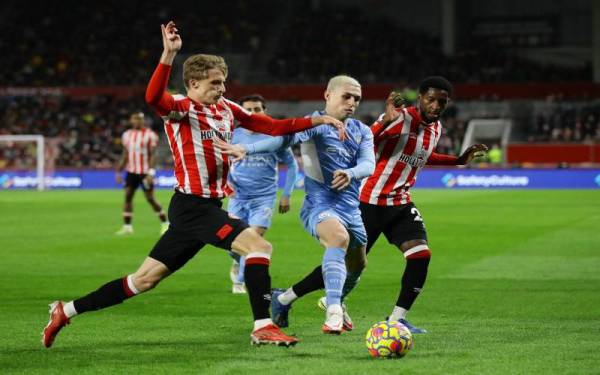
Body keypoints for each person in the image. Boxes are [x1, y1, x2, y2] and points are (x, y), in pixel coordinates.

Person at [41, 21, 345, 349]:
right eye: (216, 83)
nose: (223, 89)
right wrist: (168, 54)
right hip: (193, 206)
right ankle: (263, 325)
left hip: (199, 209)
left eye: (224, 82)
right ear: (193, 83)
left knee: (142, 280)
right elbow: (152, 96)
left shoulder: (227, 109)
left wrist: (319, 119)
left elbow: (271, 126)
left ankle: (66, 309)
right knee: (259, 247)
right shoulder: (180, 110)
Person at [262, 77, 487, 334]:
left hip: (400, 203)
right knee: (349, 263)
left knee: (421, 255)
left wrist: (457, 160)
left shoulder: (435, 129)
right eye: (431, 99)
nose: (436, 106)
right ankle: (285, 298)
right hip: (369, 202)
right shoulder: (399, 118)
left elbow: (422, 155)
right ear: (420, 98)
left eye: (442, 102)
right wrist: (385, 121)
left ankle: (396, 320)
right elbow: (364, 141)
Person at [216, 75, 375, 334]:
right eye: (346, 96)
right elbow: (281, 140)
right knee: (337, 239)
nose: (352, 103)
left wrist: (352, 173)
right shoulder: (314, 124)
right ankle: (333, 311)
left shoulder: (362, 130)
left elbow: (369, 163)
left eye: (356, 98)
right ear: (328, 95)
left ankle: (284, 300)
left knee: (357, 265)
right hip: (319, 204)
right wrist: (248, 149)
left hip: (351, 208)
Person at [226, 94, 299, 294]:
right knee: (233, 245)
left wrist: (287, 194)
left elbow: (292, 165)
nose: (253, 113)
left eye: (257, 109)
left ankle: (240, 282)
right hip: (237, 196)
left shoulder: (275, 135)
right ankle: (236, 260)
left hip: (264, 197)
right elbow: (220, 161)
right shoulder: (233, 135)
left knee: (253, 239)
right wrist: (226, 185)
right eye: (248, 110)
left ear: (265, 111)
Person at [115, 111, 169, 235]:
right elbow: (125, 154)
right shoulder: (127, 135)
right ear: (131, 120)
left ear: (143, 121)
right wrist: (118, 171)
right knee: (128, 197)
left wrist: (151, 173)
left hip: (144, 172)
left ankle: (165, 223)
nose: (136, 121)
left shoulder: (150, 135)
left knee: (150, 198)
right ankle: (127, 227)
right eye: (134, 119)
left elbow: (153, 155)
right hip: (131, 171)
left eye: (139, 119)